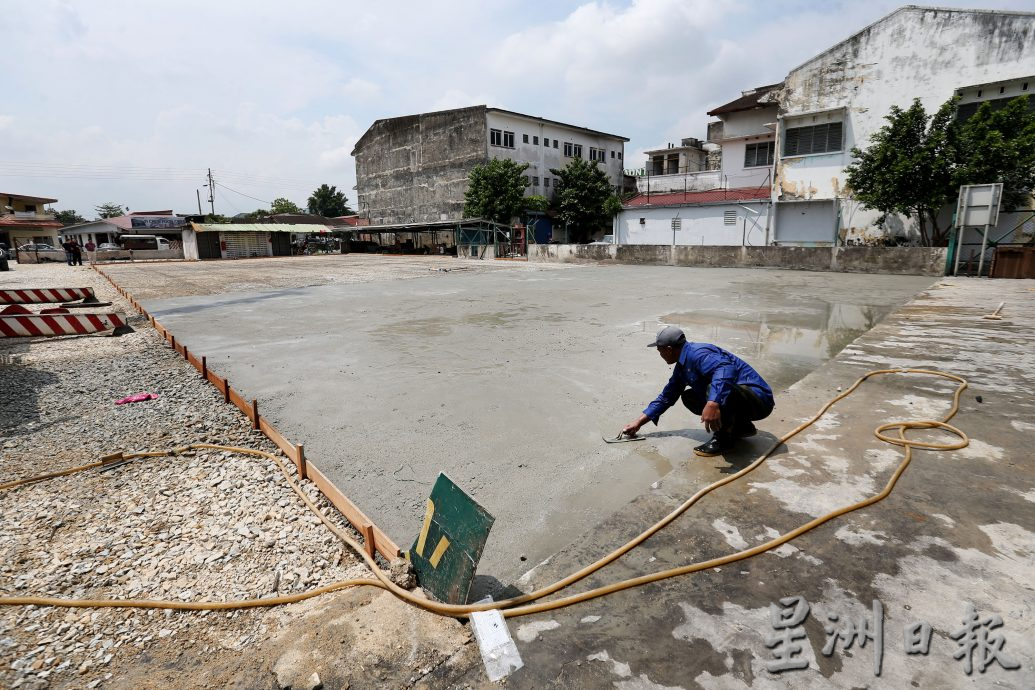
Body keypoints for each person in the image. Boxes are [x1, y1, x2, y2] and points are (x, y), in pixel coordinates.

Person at [623, 326, 775, 457]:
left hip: (759, 401)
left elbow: (725, 369)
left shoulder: (698, 353)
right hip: (742, 401)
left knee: (713, 390)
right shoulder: (682, 367)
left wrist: (713, 403)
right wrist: (638, 422)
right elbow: (666, 397)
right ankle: (741, 427)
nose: (660, 354)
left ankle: (723, 440)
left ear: (669, 350)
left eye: (660, 350)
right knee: (690, 397)